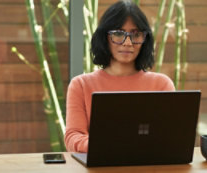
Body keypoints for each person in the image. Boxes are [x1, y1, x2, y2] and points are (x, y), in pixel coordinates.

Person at [64, 0, 175, 152]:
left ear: (145, 40)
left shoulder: (161, 84)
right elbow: (73, 136)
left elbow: (171, 136)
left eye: (136, 35)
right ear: (104, 38)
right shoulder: (81, 85)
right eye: (118, 34)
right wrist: (110, 146)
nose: (128, 43)